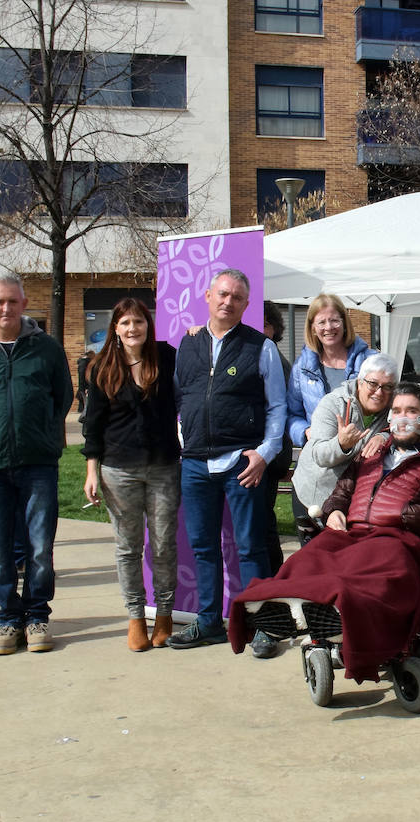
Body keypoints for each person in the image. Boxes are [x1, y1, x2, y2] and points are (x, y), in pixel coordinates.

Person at [228, 382, 420, 673]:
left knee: (369, 571)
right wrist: (334, 511)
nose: (402, 417)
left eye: (411, 411)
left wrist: (402, 513)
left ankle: (337, 612)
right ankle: (285, 607)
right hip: (353, 533)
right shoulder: (371, 452)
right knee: (310, 557)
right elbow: (343, 490)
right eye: (396, 410)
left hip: (400, 537)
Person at [0, 272, 74, 654]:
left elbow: (63, 397)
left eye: (13, 301)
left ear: (24, 304)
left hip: (37, 462)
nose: (6, 308)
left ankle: (37, 617)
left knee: (39, 547)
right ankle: (8, 621)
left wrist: (38, 430)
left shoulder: (47, 348)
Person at [170, 268, 287, 650]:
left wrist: (265, 454)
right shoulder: (187, 345)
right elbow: (181, 399)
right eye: (222, 294)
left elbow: (277, 408)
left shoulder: (261, 347)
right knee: (203, 547)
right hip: (194, 465)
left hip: (241, 464)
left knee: (251, 546)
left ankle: (264, 626)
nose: (228, 301)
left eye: (237, 297)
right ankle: (209, 623)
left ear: (246, 305)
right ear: (208, 296)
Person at [81, 298, 182, 652]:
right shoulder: (99, 367)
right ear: (115, 329)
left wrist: (198, 332)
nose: (132, 329)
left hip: (163, 467)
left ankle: (165, 616)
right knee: (127, 548)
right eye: (124, 323)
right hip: (117, 469)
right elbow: (91, 425)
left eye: (138, 321)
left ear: (147, 325)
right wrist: (92, 471)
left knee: (164, 545)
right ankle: (136, 617)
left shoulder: (166, 357)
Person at [291, 353, 399, 526]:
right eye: (373, 384)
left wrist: (383, 435)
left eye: (387, 387)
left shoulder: (393, 408)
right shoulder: (332, 404)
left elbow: (413, 416)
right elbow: (319, 455)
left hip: (352, 499)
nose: (379, 392)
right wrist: (341, 444)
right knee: (317, 551)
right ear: (360, 381)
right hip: (315, 494)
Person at [286, 294, 375, 449]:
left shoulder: (369, 362)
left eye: (334, 320)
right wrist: (305, 431)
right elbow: (291, 414)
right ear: (312, 328)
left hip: (361, 455)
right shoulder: (302, 368)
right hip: (319, 454)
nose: (328, 327)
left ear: (344, 323)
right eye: (321, 322)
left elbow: (387, 409)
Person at [261, 301, 294, 570]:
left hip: (269, 455)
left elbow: (278, 410)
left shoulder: (273, 357)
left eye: (266, 324)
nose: (260, 329)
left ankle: (273, 575)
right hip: (267, 453)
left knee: (262, 521)